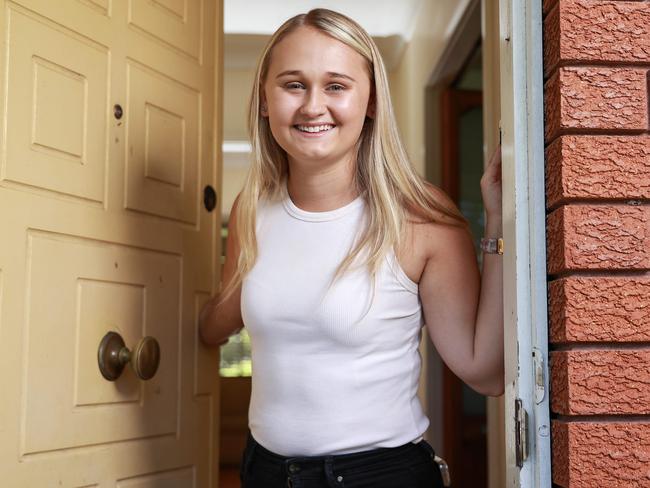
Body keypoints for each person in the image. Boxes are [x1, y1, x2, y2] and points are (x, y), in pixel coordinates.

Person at [200, 8, 504, 488]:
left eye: (336, 86)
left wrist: (498, 227)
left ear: (371, 102)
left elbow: (483, 373)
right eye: (293, 84)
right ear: (264, 99)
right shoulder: (251, 209)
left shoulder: (421, 219)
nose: (312, 106)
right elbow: (221, 317)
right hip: (264, 471)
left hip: (378, 476)